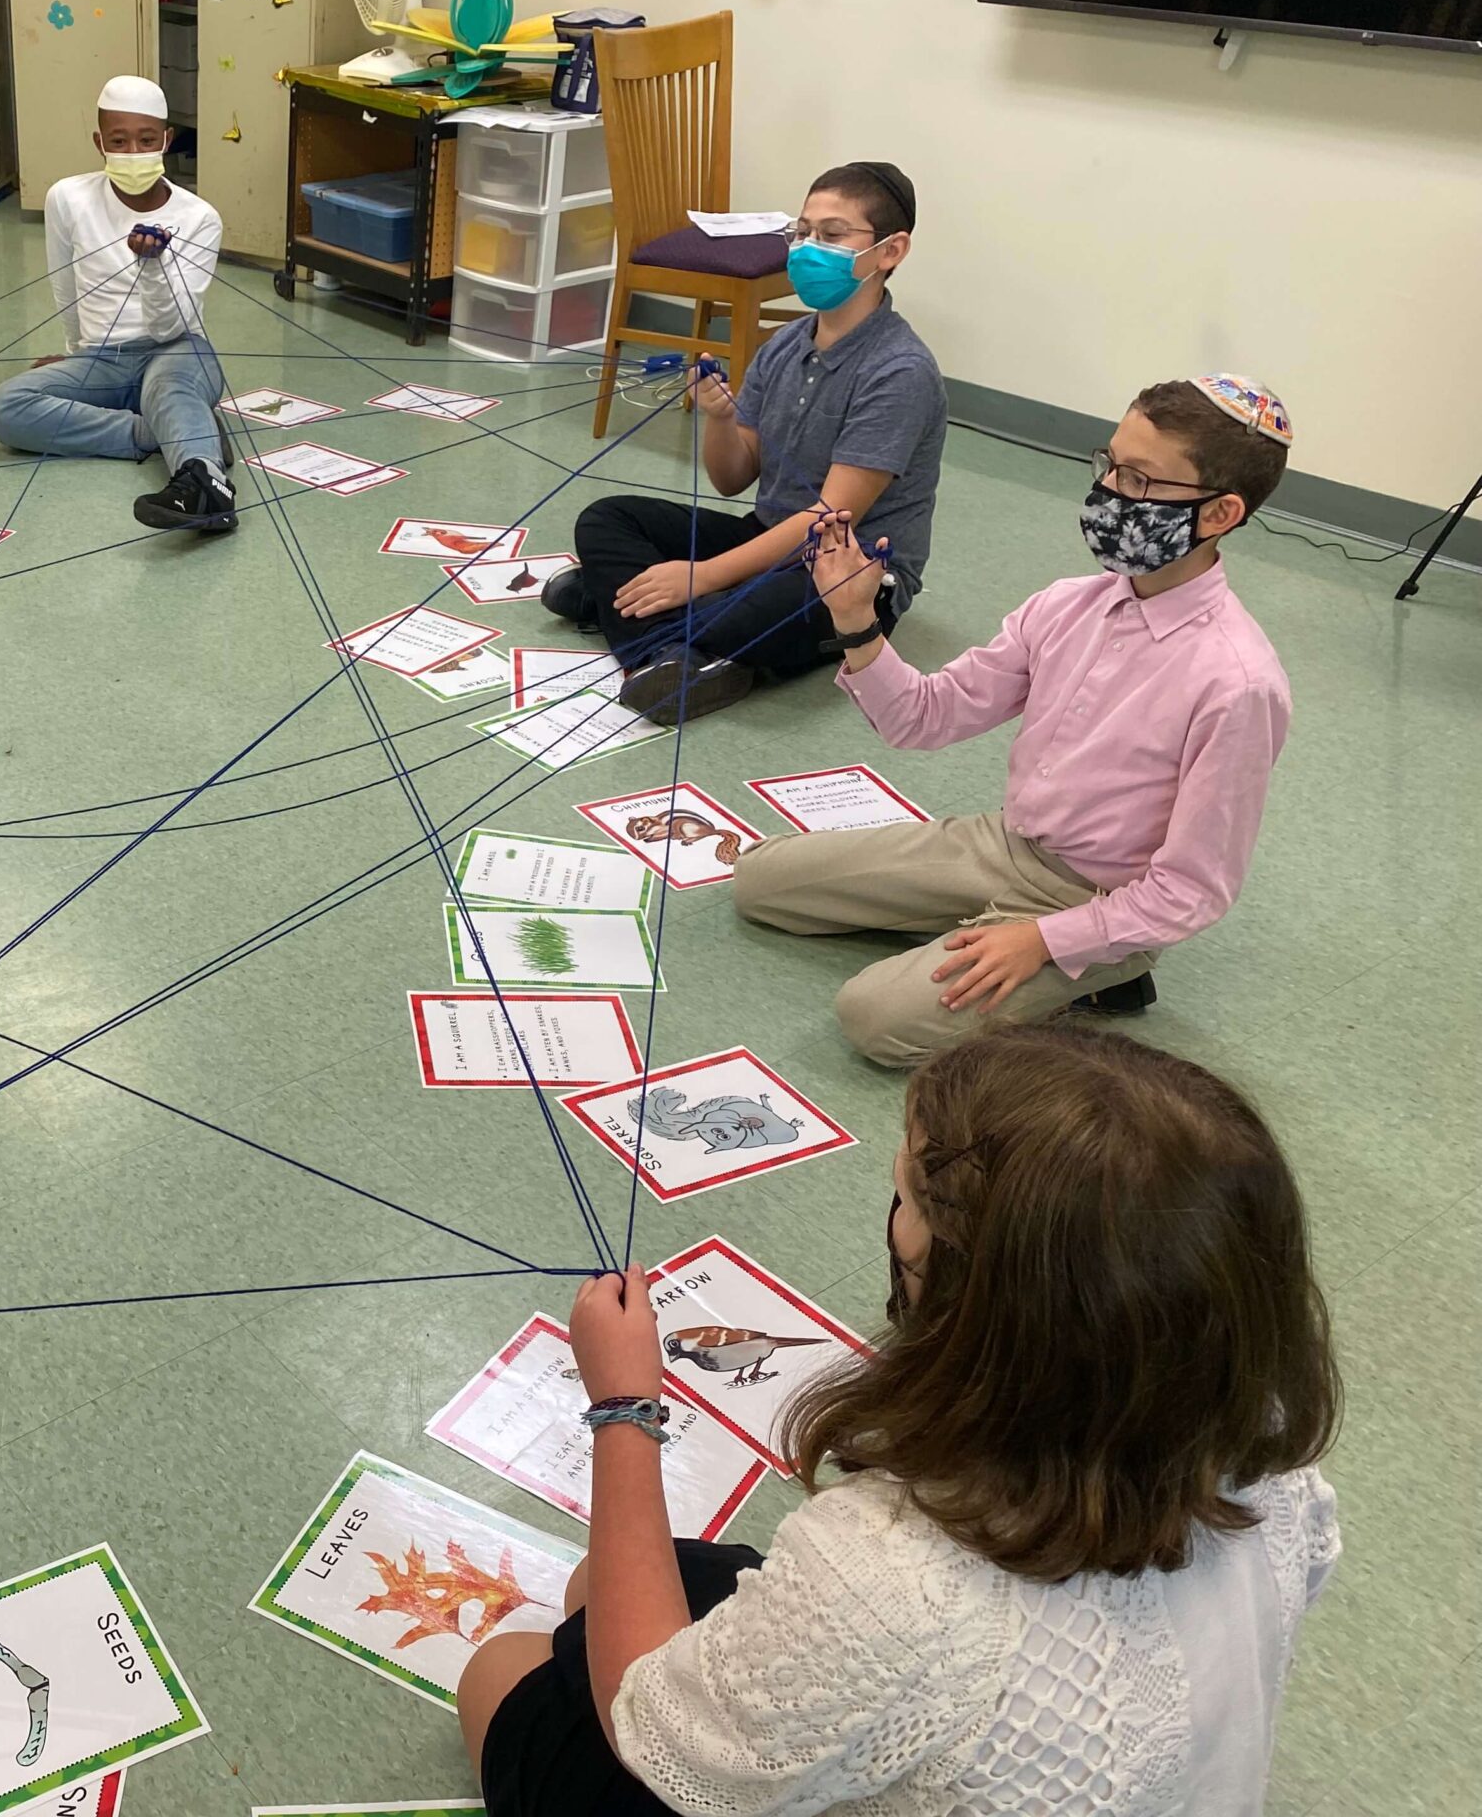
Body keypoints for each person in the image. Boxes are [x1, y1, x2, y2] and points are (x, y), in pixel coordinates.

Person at [458, 1025, 1342, 1817]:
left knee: (502, 1674)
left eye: (909, 1198)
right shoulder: (1259, 1442)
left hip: (890, 1655)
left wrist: (623, 1407)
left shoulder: (886, 1574)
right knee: (598, 1589)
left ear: (970, 1289)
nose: (897, 1224)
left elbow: (648, 1730)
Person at [734, 374, 1294, 1067]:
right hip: (1002, 845)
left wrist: (1045, 940)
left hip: (1095, 900)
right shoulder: (1067, 605)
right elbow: (924, 717)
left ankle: (1105, 972)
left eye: (1142, 481)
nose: (1111, 492)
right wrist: (855, 620)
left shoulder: (1236, 683)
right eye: (1110, 464)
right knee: (758, 881)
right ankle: (973, 928)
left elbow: (1193, 889)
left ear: (1219, 514)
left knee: (874, 1019)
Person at [543, 162, 945, 722]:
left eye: (831, 235)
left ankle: (630, 614)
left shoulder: (899, 370)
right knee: (607, 518)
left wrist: (701, 575)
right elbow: (733, 478)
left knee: (753, 609)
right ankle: (674, 650)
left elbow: (830, 515)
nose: (807, 249)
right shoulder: (783, 345)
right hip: (765, 537)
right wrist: (719, 419)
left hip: (845, 573)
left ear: (889, 251)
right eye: (801, 232)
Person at [0, 75, 236, 535]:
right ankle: (158, 432)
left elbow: (169, 327)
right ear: (99, 142)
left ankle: (205, 482)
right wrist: (76, 349)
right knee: (5, 407)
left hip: (178, 351)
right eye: (119, 141)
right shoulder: (68, 197)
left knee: (171, 389)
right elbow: (65, 284)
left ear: (166, 139)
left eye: (146, 140)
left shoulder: (199, 217)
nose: (133, 152)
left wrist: (154, 266)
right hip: (102, 358)